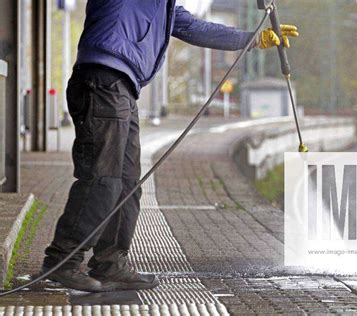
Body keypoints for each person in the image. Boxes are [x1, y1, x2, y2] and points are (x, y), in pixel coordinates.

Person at [42, 0, 299, 293]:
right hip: (102, 81)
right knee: (103, 179)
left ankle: (110, 264)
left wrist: (251, 39)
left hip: (122, 88)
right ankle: (63, 260)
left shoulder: (163, 6)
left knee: (127, 184)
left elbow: (196, 28)